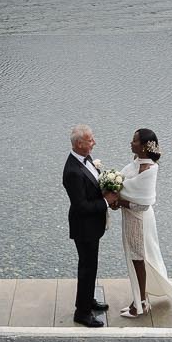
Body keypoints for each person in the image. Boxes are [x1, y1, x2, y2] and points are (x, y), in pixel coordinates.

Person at [110, 127, 172, 318]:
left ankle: (140, 304)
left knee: (138, 258)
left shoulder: (150, 169)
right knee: (135, 258)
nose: (131, 143)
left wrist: (119, 201)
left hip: (140, 220)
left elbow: (143, 204)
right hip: (130, 216)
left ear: (144, 146)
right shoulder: (135, 163)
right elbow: (124, 186)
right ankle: (139, 300)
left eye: (135, 140)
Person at [61, 124, 111, 327]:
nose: (94, 142)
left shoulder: (85, 158)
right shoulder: (72, 171)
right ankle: (82, 313)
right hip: (84, 227)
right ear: (79, 144)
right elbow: (81, 206)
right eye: (90, 140)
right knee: (87, 269)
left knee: (91, 266)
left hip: (92, 226)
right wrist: (107, 201)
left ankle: (87, 300)